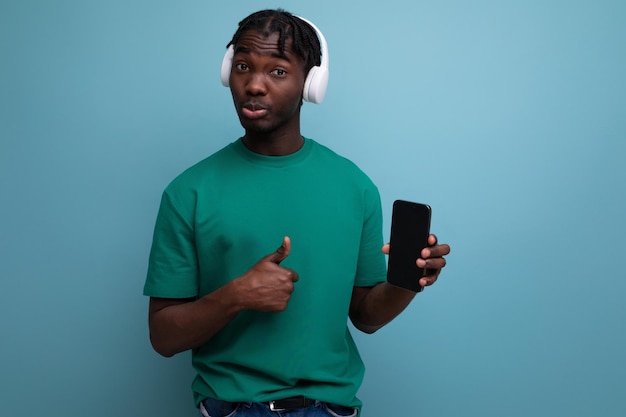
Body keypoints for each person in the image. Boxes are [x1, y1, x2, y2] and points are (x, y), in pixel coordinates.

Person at [144, 9, 451, 417]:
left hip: (331, 408)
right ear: (227, 72)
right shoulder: (189, 192)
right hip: (232, 408)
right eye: (242, 66)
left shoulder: (354, 186)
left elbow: (366, 316)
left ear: (311, 83)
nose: (254, 84)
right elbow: (163, 337)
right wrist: (236, 295)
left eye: (277, 71)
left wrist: (407, 281)